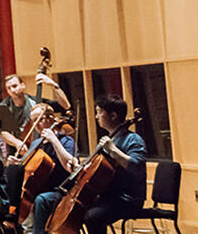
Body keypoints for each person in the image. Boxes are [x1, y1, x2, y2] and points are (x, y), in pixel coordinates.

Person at [30, 95, 146, 234]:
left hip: (126, 198)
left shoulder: (132, 139)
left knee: (92, 216)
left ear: (113, 115)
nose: (96, 116)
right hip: (104, 195)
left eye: (99, 112)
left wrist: (114, 150)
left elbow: (137, 166)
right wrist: (80, 167)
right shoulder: (108, 139)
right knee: (48, 200)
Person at [0, 73, 71, 148]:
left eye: (14, 86)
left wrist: (54, 85)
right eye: (9, 88)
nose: (12, 90)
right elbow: (3, 131)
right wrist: (17, 143)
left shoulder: (36, 102)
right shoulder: (5, 106)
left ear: (23, 85)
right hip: (16, 148)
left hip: (41, 145)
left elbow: (65, 105)